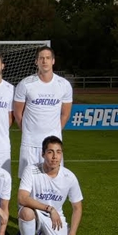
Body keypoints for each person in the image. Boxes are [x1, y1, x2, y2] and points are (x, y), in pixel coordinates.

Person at [17, 135, 83, 235]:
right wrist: (49, 209)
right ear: (43, 154)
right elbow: (22, 198)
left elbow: (77, 208)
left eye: (58, 152)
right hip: (37, 213)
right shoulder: (31, 170)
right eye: (50, 152)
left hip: (55, 219)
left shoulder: (69, 177)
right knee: (26, 212)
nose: (54, 157)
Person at [13, 45, 73, 179]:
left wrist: (55, 131)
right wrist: (28, 131)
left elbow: (65, 114)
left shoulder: (63, 85)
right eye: (41, 58)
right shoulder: (25, 84)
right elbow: (18, 113)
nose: (44, 61)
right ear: (36, 61)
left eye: (47, 58)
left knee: (53, 180)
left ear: (53, 61)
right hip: (30, 143)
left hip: (53, 145)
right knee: (27, 182)